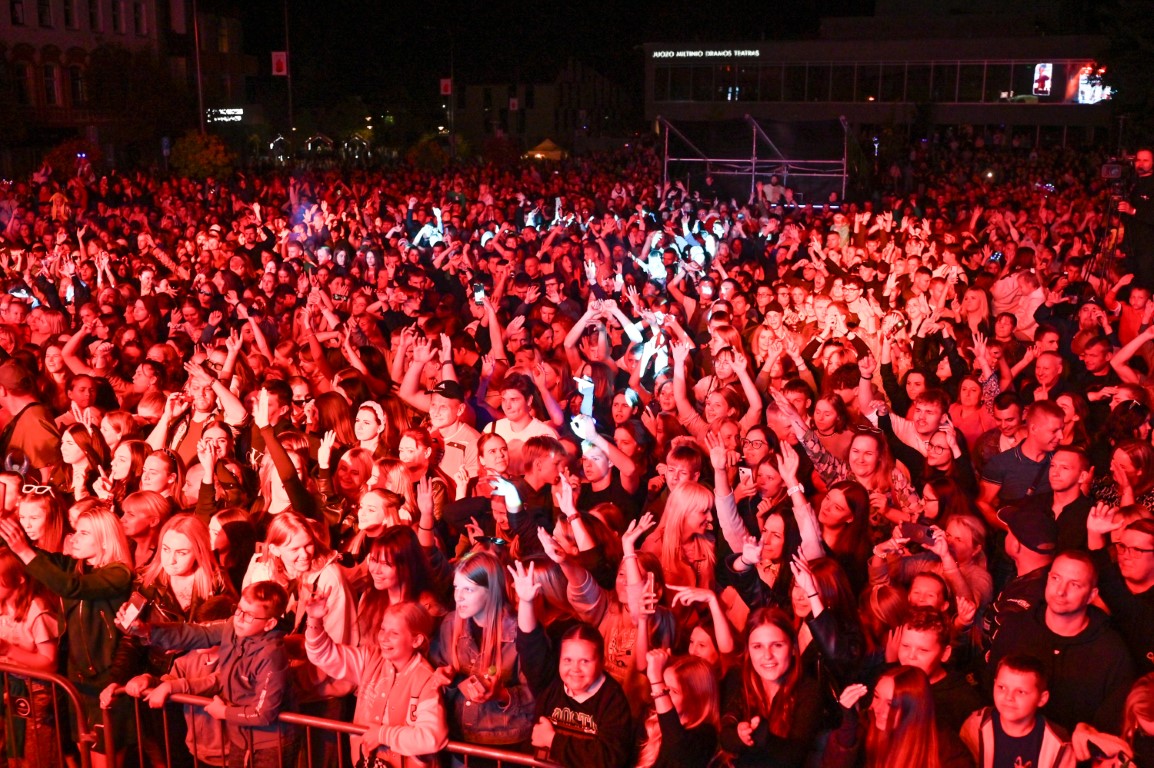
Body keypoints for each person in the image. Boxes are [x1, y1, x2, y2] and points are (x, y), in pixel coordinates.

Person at [0, 506, 132, 768]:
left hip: (105, 683)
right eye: (75, 531)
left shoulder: (119, 574)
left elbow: (71, 587)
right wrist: (11, 534)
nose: (74, 538)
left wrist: (24, 551)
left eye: (84, 533)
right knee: (85, 760)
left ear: (105, 540)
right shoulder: (77, 567)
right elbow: (37, 559)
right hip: (77, 682)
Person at [127, 581, 295, 768]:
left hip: (270, 743)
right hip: (240, 737)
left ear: (270, 623)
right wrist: (149, 630)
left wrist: (224, 712)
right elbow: (196, 632)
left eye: (249, 616)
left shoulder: (271, 655)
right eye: (239, 609)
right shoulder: (232, 627)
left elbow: (263, 713)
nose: (239, 618)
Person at [987, 550, 1135, 733]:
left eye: (1074, 584)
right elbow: (990, 686)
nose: (1060, 591)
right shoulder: (1015, 628)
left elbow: (1111, 725)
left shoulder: (1111, 652)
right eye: (1056, 578)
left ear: (1091, 595)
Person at [511, 561, 633, 768]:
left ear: (601, 662)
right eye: (568, 660)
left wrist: (553, 741)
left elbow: (609, 759)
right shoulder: (551, 686)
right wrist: (526, 603)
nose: (575, 669)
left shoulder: (612, 699)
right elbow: (530, 647)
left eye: (584, 661)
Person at [304, 598, 448, 767]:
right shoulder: (371, 658)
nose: (384, 638)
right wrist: (314, 620)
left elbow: (432, 737)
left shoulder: (426, 679)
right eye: (382, 629)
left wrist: (382, 734)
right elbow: (325, 655)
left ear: (416, 640)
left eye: (394, 633)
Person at [718, 607, 823, 768]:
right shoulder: (738, 677)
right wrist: (739, 736)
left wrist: (764, 737)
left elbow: (794, 758)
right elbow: (725, 737)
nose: (767, 655)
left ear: (793, 648)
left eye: (777, 645)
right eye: (757, 646)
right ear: (748, 650)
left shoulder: (808, 690)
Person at [824, 665, 974, 768]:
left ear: (914, 709)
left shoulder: (946, 750)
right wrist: (848, 725)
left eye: (891, 704)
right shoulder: (867, 724)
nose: (877, 708)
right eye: (876, 697)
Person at [961, 654, 1076, 768]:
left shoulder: (1059, 745)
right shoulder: (975, 726)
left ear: (1042, 699)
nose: (1008, 697)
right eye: (1002, 687)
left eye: (1021, 692)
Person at [1118, 149, 1154, 289]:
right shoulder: (1130, 182)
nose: (1141, 163)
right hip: (1131, 244)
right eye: (1138, 160)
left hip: (1148, 246)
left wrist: (1133, 211)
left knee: (1146, 284)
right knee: (1130, 282)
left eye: (1145, 160)